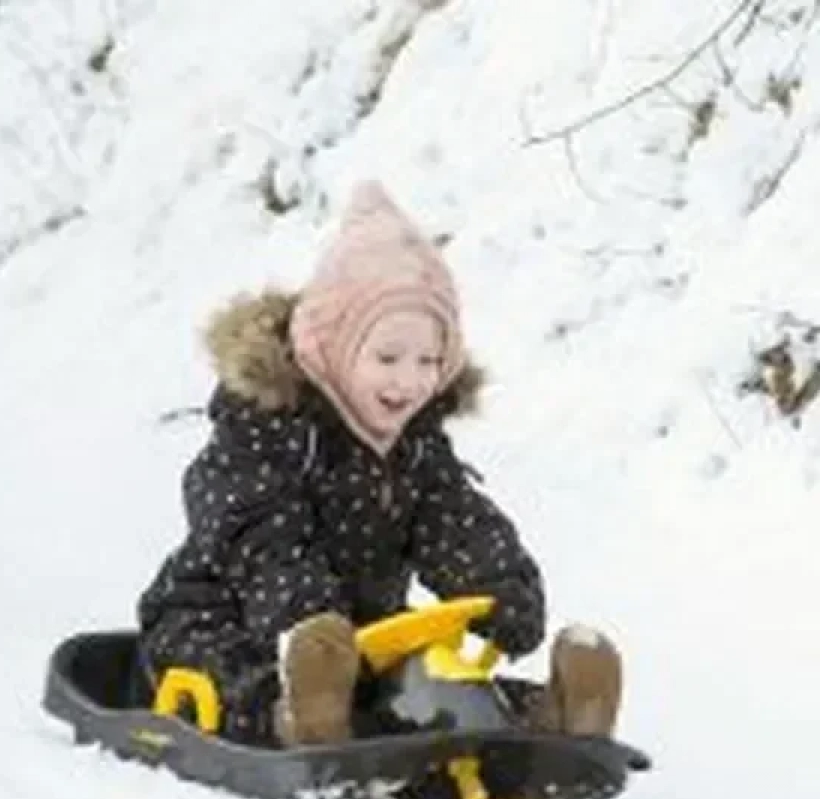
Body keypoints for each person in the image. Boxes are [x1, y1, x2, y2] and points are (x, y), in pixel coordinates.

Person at [136, 180, 623, 747]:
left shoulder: (414, 446)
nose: (409, 381)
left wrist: (502, 586)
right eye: (388, 357)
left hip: (358, 636)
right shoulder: (265, 432)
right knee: (242, 675)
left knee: (425, 679)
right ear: (334, 349)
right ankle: (295, 717)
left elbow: (455, 520)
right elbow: (257, 536)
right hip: (221, 619)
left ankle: (546, 717)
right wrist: (310, 620)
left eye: (429, 361)